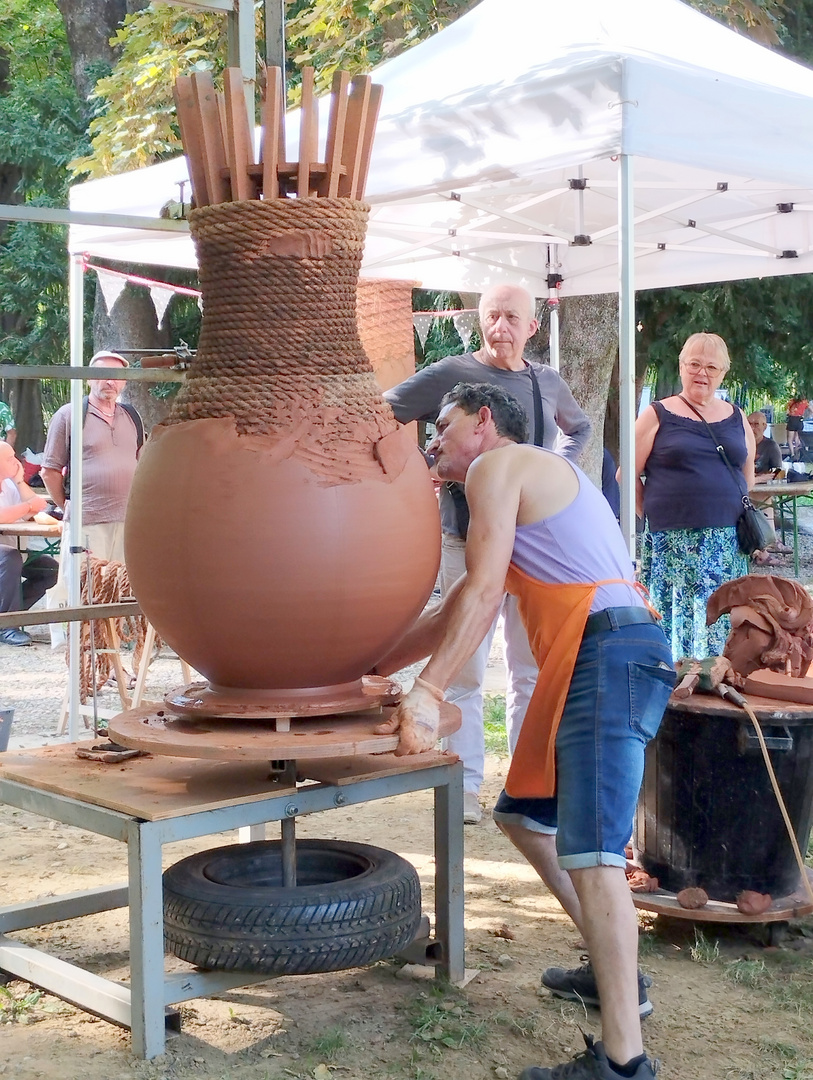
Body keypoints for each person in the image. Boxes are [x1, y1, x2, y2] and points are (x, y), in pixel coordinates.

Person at [374, 383, 673, 1080]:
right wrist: (372, 662)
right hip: (598, 650)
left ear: (483, 423)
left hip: (606, 649)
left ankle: (624, 1061)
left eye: (441, 427)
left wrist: (426, 691)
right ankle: (611, 971)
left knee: (594, 853)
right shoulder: (519, 486)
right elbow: (462, 599)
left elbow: (479, 595)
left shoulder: (497, 467)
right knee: (522, 817)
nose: (433, 443)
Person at [383, 285, 591, 823]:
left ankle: (527, 788)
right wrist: (413, 473)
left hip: (530, 549)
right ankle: (466, 788)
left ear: (532, 327)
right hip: (464, 536)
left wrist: (551, 468)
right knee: (466, 667)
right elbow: (383, 413)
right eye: (492, 316)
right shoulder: (451, 373)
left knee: (530, 670)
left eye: (511, 318)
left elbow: (580, 426)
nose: (501, 326)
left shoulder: (545, 381)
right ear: (480, 322)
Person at [635, 332, 755, 660]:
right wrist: (656, 512)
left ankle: (719, 689)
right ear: (681, 367)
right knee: (676, 624)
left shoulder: (736, 415)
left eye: (711, 367)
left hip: (727, 544)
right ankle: (675, 697)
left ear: (723, 373)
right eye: (695, 364)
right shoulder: (657, 414)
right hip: (672, 544)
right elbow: (626, 475)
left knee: (722, 624)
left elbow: (747, 475)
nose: (702, 373)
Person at [41, 351, 142, 567]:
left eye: (116, 376)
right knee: (83, 589)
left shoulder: (133, 417)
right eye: (101, 373)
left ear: (124, 382)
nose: (109, 381)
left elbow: (142, 465)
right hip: (86, 523)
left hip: (128, 523)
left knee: (121, 591)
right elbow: (49, 472)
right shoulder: (69, 415)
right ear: (88, 378)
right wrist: (72, 507)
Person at [0, 440, 58, 646]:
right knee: (9, 557)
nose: (16, 462)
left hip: (14, 546)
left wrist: (19, 482)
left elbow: (40, 506)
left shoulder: (8, 484)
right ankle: (7, 627)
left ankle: (9, 616)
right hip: (7, 553)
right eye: (9, 459)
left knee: (50, 569)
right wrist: (26, 508)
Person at [747, 411, 791, 566]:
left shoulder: (770, 446)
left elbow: (779, 471)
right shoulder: (740, 443)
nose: (752, 428)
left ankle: (766, 543)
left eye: (756, 424)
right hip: (743, 488)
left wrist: (760, 478)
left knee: (763, 499)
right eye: (749, 423)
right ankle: (763, 548)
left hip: (762, 489)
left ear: (764, 426)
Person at [785, 396, 809, 461]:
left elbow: (787, 411)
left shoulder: (791, 401)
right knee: (797, 439)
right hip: (800, 420)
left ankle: (792, 455)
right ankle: (797, 454)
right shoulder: (805, 402)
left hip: (792, 420)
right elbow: (811, 410)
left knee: (790, 439)